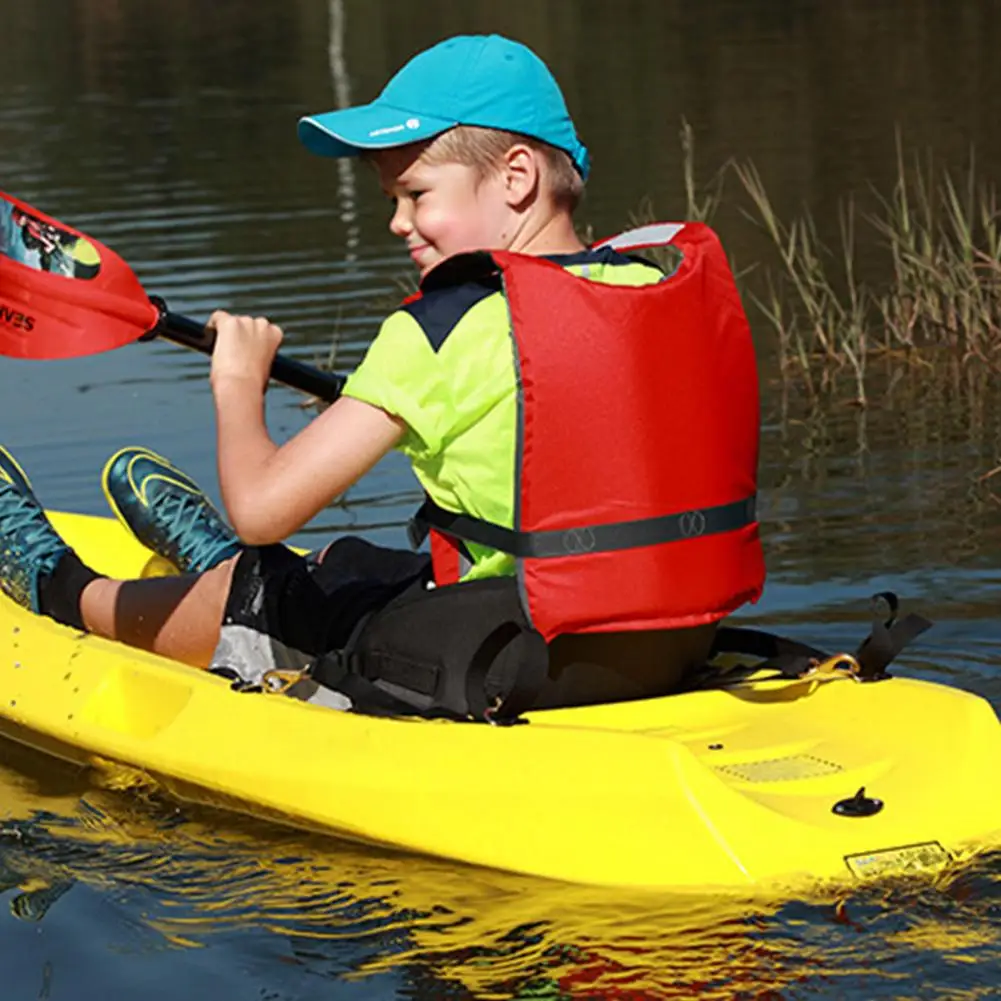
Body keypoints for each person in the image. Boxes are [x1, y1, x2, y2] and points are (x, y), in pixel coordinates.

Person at [0, 34, 765, 719]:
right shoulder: (647, 291)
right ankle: (208, 563)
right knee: (348, 566)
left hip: (523, 660)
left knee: (262, 582)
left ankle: (65, 588)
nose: (397, 222)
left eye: (415, 194)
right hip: (665, 641)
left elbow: (263, 509)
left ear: (516, 177)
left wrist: (238, 384)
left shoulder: (440, 326)